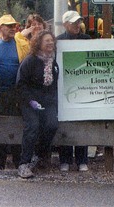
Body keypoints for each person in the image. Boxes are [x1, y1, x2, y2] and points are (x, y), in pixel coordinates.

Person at [0, 14, 30, 170]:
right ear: (0, 28)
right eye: (9, 26)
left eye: (14, 26)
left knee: (18, 125)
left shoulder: (23, 44)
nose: (13, 29)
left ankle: (18, 160)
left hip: (17, 92)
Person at [16, 30, 59, 178]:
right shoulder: (30, 61)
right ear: (38, 43)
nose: (50, 43)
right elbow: (21, 84)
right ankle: (24, 163)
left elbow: (53, 85)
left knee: (52, 125)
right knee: (32, 126)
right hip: (30, 101)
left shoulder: (53, 62)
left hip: (48, 102)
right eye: (47, 41)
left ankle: (40, 155)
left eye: (51, 41)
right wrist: (31, 101)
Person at [56, 10, 91, 172]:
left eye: (79, 22)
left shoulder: (87, 39)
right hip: (65, 89)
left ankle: (82, 159)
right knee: (65, 123)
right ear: (65, 25)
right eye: (74, 22)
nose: (78, 25)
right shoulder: (58, 42)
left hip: (83, 86)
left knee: (82, 122)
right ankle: (65, 159)